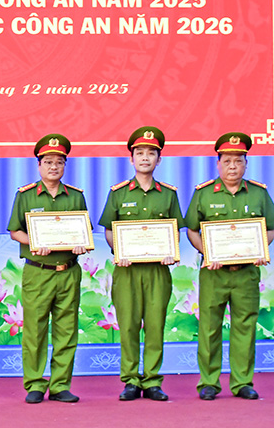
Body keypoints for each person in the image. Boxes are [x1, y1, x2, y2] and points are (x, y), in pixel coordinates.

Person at [185, 132, 274, 401]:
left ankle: (242, 382)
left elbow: (270, 228)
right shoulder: (203, 193)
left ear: (246, 163)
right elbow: (191, 230)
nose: (232, 166)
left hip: (246, 273)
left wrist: (261, 248)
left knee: (245, 326)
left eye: (238, 161)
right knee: (209, 327)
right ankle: (209, 382)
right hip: (214, 273)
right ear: (218, 164)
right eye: (227, 161)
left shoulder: (259, 193)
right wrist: (207, 252)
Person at [99, 126, 182, 402]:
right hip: (127, 270)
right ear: (131, 159)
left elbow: (174, 230)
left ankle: (153, 380)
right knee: (129, 325)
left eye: (151, 153)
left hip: (158, 270)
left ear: (159, 159)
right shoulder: (118, 193)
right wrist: (117, 249)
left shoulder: (168, 194)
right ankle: (131, 380)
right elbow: (109, 229)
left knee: (155, 325)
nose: (145, 158)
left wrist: (171, 251)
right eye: (139, 153)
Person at [7, 134, 88, 404]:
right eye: (48, 162)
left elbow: (84, 232)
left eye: (59, 162)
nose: (54, 167)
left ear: (65, 165)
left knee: (67, 329)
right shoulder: (26, 195)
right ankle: (34, 384)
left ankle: (61, 384)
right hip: (38, 271)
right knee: (35, 330)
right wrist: (34, 242)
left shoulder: (76, 196)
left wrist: (82, 244)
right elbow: (15, 231)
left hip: (68, 271)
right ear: (39, 165)